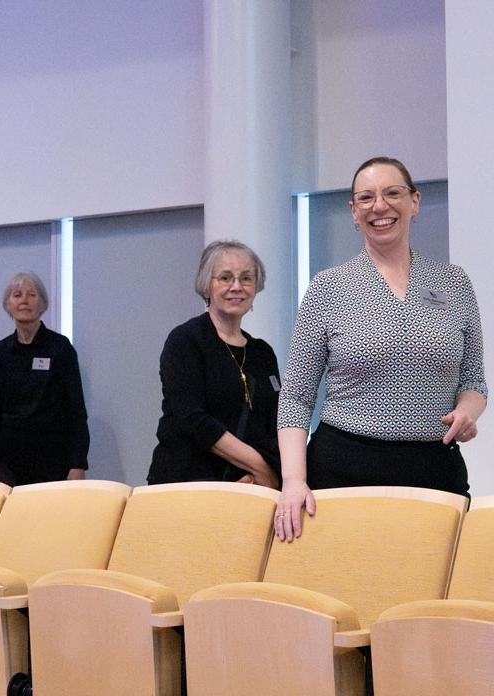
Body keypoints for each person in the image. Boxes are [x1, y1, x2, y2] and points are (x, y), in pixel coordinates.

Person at [276, 157, 488, 542]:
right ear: (354, 212)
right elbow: (295, 396)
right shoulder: (328, 288)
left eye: (393, 193)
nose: (380, 206)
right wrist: (293, 480)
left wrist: (465, 413)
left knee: (430, 597)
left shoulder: (454, 283)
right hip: (344, 470)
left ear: (415, 201)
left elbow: (474, 383)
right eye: (366, 197)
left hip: (434, 469)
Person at [147, 240, 281, 487]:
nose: (237, 287)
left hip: (249, 486)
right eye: (225, 278)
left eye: (246, 278)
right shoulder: (185, 340)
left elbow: (272, 425)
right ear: (206, 285)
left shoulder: (263, 353)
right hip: (187, 484)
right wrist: (261, 467)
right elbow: (194, 420)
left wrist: (264, 478)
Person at [0, 271, 89, 485]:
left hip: (52, 460)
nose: (24, 300)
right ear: (8, 304)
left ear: (42, 303)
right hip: (7, 464)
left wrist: (78, 464)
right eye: (17, 294)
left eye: (32, 294)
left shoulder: (61, 348)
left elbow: (76, 411)